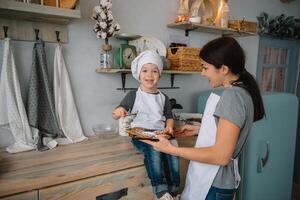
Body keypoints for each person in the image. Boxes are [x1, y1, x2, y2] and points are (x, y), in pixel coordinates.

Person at [143, 37, 265, 200]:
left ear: (223, 69)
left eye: (205, 68)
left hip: (213, 185)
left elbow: (220, 156)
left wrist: (171, 149)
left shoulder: (232, 96)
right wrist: (201, 130)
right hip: (221, 184)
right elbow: (231, 133)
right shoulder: (243, 92)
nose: (202, 73)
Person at [112, 50, 180, 200]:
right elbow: (117, 111)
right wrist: (119, 111)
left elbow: (169, 117)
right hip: (140, 133)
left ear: (160, 74)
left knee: (174, 152)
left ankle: (174, 190)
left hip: (160, 132)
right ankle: (160, 191)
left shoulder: (164, 97)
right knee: (154, 151)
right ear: (138, 74)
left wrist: (169, 126)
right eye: (145, 71)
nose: (150, 75)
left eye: (154, 71)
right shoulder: (133, 95)